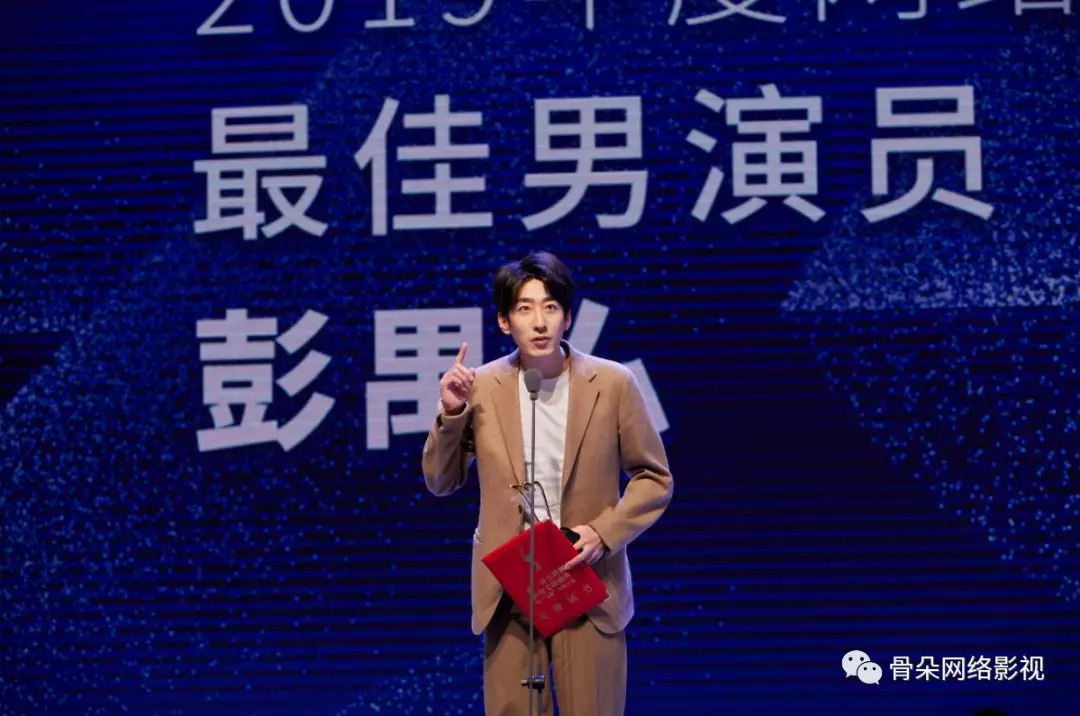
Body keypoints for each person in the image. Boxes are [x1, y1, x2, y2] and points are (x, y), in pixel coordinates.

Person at [421, 250, 674, 715]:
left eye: (551, 307)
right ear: (504, 322)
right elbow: (440, 480)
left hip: (586, 577)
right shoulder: (480, 387)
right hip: (510, 585)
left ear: (567, 317)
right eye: (525, 308)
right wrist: (451, 413)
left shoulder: (613, 383)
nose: (539, 322)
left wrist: (603, 532)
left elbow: (654, 478)